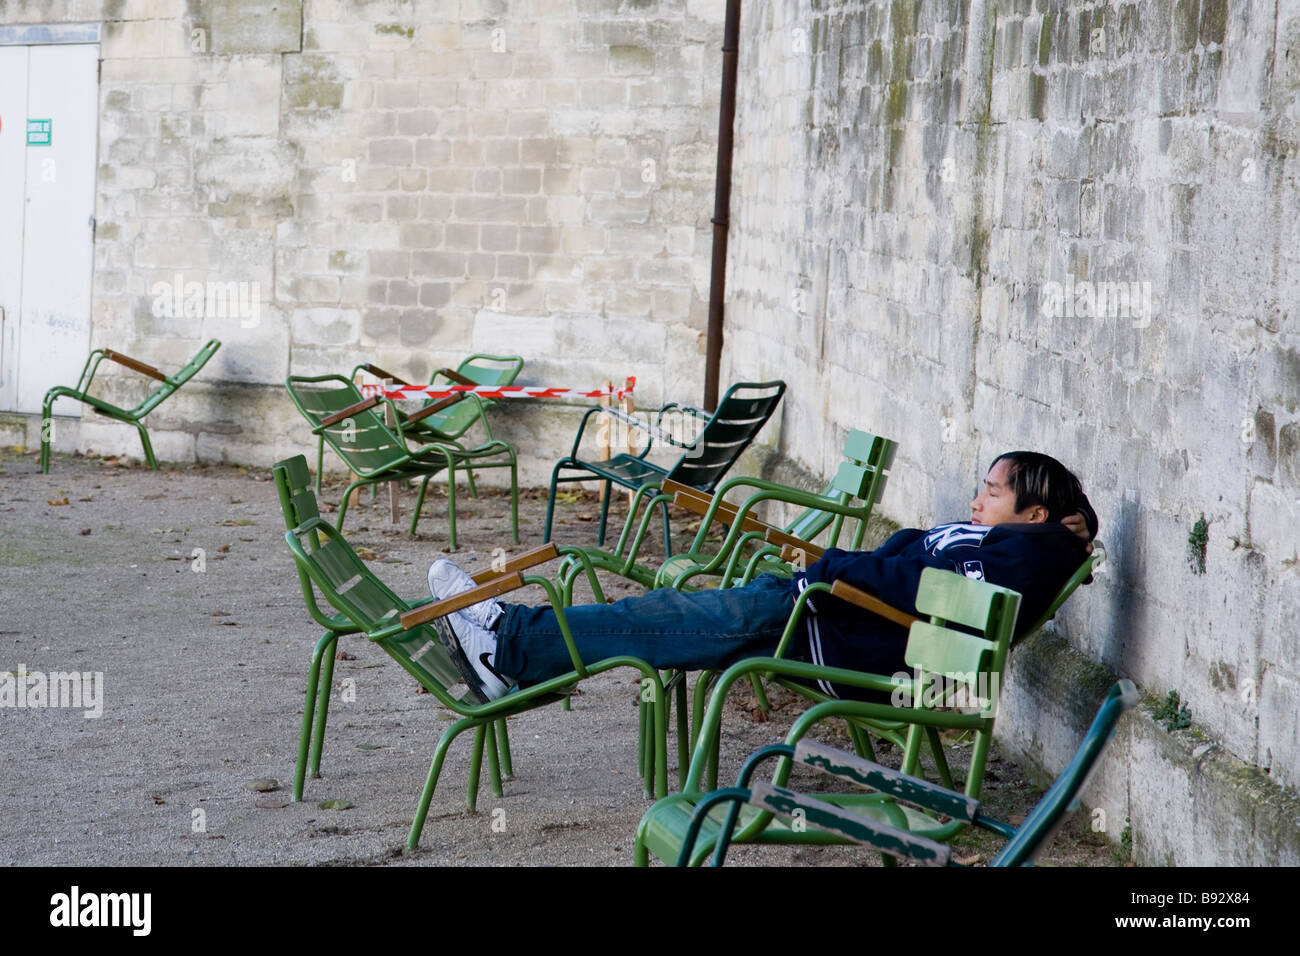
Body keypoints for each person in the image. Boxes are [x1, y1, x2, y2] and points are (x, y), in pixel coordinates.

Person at [427, 451, 1098, 703]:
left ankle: (511, 643)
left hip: (835, 632)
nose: (977, 502)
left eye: (991, 494)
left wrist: (827, 571)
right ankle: (514, 651)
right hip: (830, 616)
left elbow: (924, 582)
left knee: (671, 619)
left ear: (1036, 514)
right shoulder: (1017, 541)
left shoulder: (1029, 551)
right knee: (667, 620)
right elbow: (912, 557)